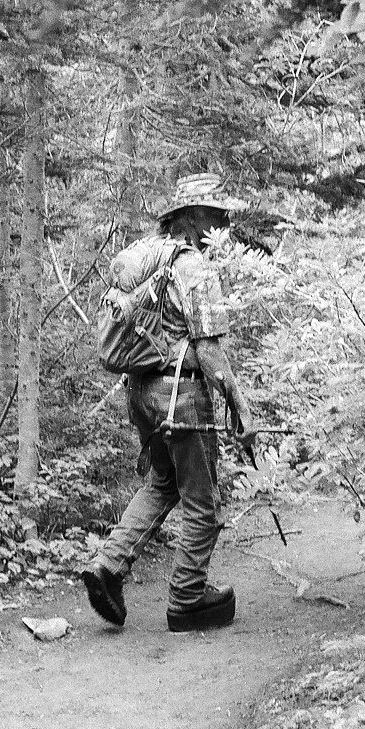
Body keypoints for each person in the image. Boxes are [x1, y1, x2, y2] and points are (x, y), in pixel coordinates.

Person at [84, 173, 257, 633]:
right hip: (181, 395)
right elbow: (210, 350)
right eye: (216, 213)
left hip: (141, 391)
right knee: (203, 499)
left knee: (163, 482)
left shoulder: (146, 256)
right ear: (193, 217)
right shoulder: (192, 266)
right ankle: (188, 597)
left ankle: (108, 565)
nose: (223, 222)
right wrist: (242, 409)